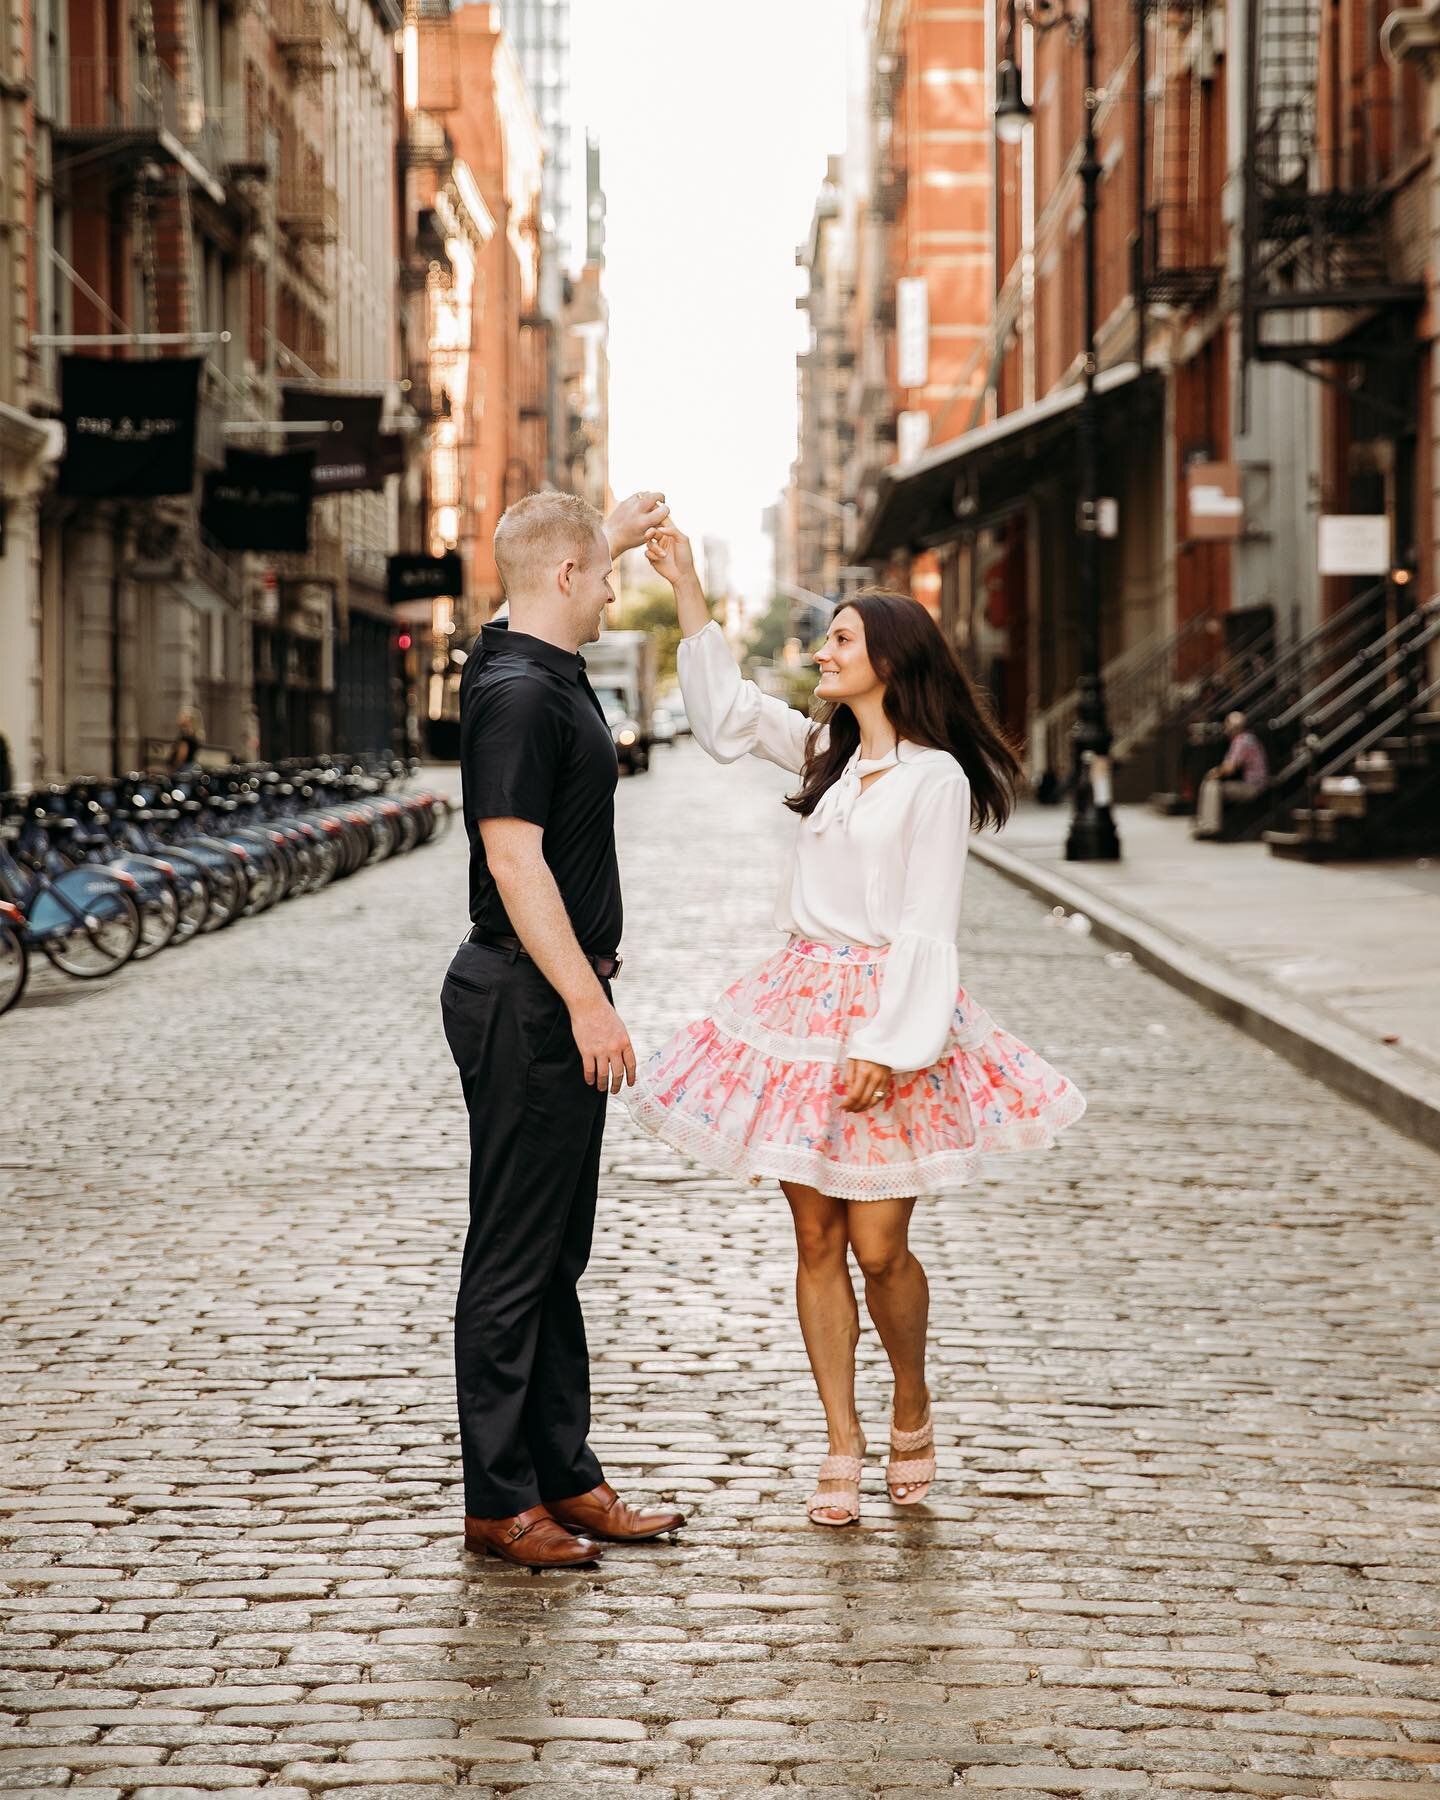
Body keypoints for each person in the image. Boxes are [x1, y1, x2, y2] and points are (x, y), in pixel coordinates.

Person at [632, 525, 1087, 1528]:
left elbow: (928, 925)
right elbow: (720, 717)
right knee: (815, 1236)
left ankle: (910, 1399)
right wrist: (693, 589)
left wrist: (888, 1042)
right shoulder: (827, 756)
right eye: (826, 639)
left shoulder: (934, 778)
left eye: (841, 640)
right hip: (797, 1008)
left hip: (886, 1018)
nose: (823, 653)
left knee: (881, 1246)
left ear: (891, 660)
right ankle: (841, 1437)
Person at [440, 488, 686, 1571]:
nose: (616, 590)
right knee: (514, 1252)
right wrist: (589, 999)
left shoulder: (522, 660)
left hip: (540, 992)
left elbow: (534, 571)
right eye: (606, 574)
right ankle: (501, 1501)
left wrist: (608, 532)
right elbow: (513, 856)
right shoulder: (517, 695)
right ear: (565, 583)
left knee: (555, 1252)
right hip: (529, 997)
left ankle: (566, 1478)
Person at [1193, 709, 1269, 839]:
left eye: (1227, 726)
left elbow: (1230, 768)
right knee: (1213, 784)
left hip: (1253, 787)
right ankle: (1205, 823)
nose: (1225, 729)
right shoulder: (1247, 738)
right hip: (1253, 783)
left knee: (1213, 786)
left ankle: (1210, 826)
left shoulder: (1242, 741)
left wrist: (1213, 772)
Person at [168, 710, 202, 775]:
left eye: (182, 717)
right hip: (190, 766)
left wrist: (174, 767)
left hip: (184, 768)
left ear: (188, 720)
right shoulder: (194, 733)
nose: (179, 719)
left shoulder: (186, 736)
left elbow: (182, 755)